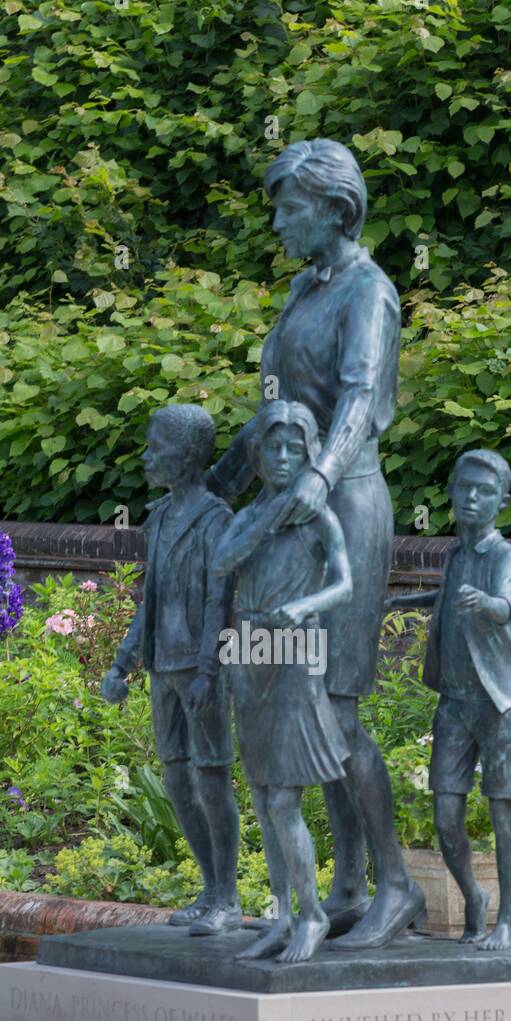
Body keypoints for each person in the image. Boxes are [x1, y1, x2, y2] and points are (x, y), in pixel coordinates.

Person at [209, 138, 426, 950]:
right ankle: (344, 887)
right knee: (301, 705)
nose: (277, 222)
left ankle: (397, 885)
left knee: (334, 702)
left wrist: (320, 480)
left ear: (338, 210)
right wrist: (212, 490)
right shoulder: (305, 291)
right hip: (289, 516)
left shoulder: (370, 292)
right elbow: (275, 414)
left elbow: (362, 400)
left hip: (347, 506)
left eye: (289, 207)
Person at [388, 448, 511, 951]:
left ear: (501, 501)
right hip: (454, 703)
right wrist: (400, 600)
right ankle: (473, 899)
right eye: (465, 488)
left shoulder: (506, 556)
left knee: (503, 814)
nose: (472, 498)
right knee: (444, 816)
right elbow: (445, 596)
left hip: (499, 704)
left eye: (484, 491)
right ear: (453, 494)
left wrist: (489, 606)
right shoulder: (455, 555)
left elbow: (508, 604)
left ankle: (507, 923)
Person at [212, 401, 352, 963]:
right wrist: (273, 511)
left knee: (285, 799)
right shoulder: (251, 516)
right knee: (264, 796)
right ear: (259, 453)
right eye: (274, 447)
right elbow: (222, 561)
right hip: (250, 655)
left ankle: (313, 916)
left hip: (295, 654)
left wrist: (305, 607)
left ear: (311, 452)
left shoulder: (321, 516)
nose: (285, 457)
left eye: (297, 448)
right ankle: (280, 914)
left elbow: (345, 583)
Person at [101, 405, 242, 936]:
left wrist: (209, 670)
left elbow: (219, 603)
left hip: (201, 670)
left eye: (154, 446)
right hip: (163, 664)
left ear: (185, 457)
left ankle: (228, 898)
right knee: (177, 779)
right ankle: (210, 888)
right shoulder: (158, 518)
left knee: (212, 777)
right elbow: (149, 600)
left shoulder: (216, 520)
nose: (145, 455)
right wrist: (124, 661)